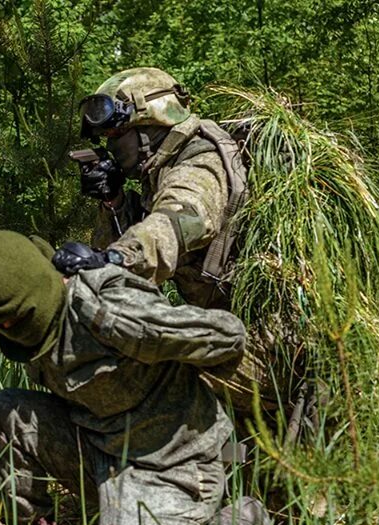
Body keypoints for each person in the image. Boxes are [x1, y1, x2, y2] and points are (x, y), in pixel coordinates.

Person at [0, 230, 286, 525]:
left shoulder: (111, 307)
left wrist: (132, 331)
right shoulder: (27, 327)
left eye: (17, 318)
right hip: (102, 451)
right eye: (0, 323)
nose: (10, 331)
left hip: (173, 462)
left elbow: (228, 335)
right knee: (1, 413)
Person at [53, 67, 299, 433]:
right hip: (230, 336)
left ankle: (199, 475)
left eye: (117, 137)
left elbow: (180, 221)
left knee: (158, 364)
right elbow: (124, 245)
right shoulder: (158, 175)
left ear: (150, 127)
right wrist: (114, 202)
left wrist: (117, 258)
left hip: (272, 353)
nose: (111, 148)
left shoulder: (200, 163)